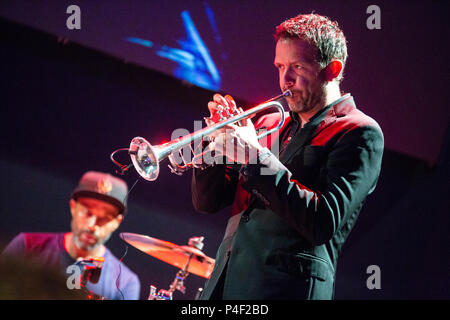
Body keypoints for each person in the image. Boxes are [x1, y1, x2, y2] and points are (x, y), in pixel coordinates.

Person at [192, 13, 384, 299]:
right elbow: (207, 202)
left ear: (331, 69)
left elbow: (322, 221)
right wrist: (215, 145)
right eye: (280, 66)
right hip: (225, 286)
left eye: (297, 66)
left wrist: (253, 157)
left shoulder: (360, 131)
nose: (285, 80)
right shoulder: (269, 123)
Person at [1, 171, 140, 300]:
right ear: (73, 207)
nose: (92, 225)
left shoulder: (126, 283)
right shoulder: (26, 245)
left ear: (117, 222)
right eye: (87, 212)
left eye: (105, 218)